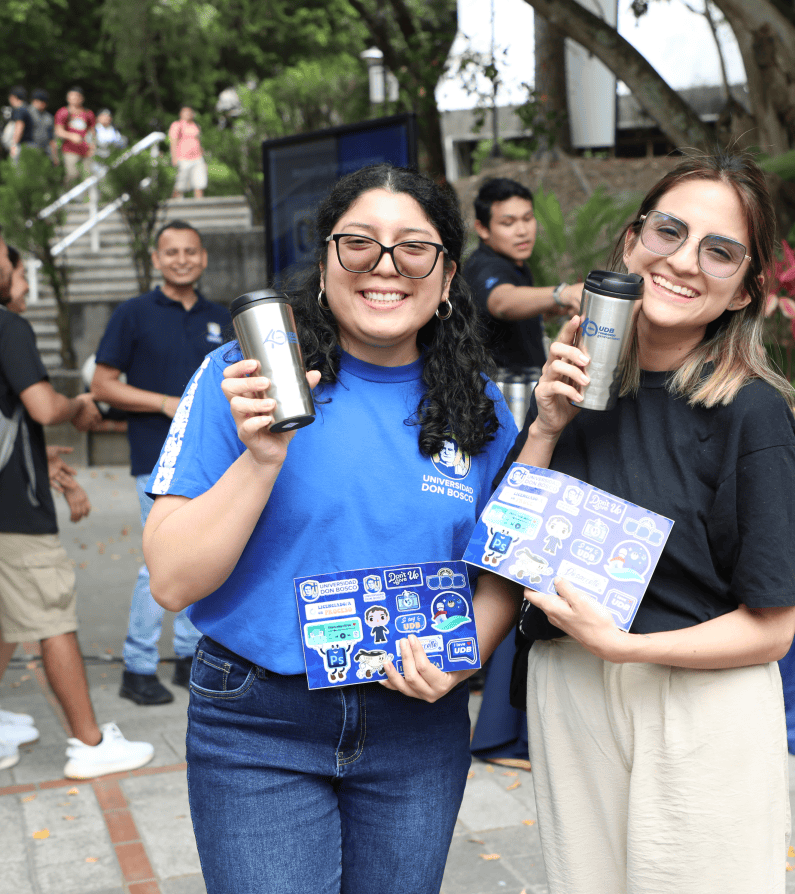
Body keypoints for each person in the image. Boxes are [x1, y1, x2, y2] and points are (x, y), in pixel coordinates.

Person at [141, 164, 521, 894]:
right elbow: (171, 580)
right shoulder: (242, 378)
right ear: (324, 265)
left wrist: (467, 652)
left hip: (418, 724)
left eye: (414, 248)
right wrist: (262, 457)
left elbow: (502, 562)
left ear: (446, 279)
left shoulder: (478, 409)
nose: (385, 267)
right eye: (359, 244)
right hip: (260, 722)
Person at [510, 150, 795, 894]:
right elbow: (507, 554)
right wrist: (544, 426)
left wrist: (626, 647)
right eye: (669, 231)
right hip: (569, 692)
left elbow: (773, 628)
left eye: (720, 250)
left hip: (696, 702)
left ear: (745, 290)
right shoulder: (575, 385)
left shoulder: (751, 414)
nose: (683, 261)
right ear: (632, 240)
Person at [0, 224, 155, 778]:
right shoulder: (8, 327)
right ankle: (89, 745)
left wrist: (44, 463)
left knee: (6, 620)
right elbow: (42, 407)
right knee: (53, 618)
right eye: (13, 264)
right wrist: (80, 404)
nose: (19, 275)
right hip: (14, 514)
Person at [91, 221, 231, 706]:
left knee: (207, 558)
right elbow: (102, 385)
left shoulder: (223, 317)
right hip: (156, 459)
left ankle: (191, 658)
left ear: (203, 257)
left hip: (217, 462)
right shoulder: (132, 314)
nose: (181, 259)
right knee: (158, 565)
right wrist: (163, 403)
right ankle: (138, 666)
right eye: (171, 252)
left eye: (190, 251)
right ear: (156, 259)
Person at [464, 178, 582, 373]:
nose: (522, 231)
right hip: (502, 393)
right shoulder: (483, 266)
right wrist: (562, 293)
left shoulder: (516, 264)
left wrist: (553, 307)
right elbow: (502, 302)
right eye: (508, 223)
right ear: (483, 229)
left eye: (527, 219)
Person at [53, 86, 95, 185]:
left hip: (86, 150)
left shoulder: (88, 113)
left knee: (88, 176)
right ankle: (68, 197)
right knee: (72, 175)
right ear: (68, 98)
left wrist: (92, 145)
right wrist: (71, 136)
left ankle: (86, 199)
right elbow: (58, 131)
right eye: (72, 96)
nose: (75, 98)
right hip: (70, 149)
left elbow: (92, 131)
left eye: (77, 96)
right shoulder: (63, 112)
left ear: (82, 98)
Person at [168, 106, 207, 198]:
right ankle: (174, 206)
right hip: (183, 158)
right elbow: (173, 142)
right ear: (181, 114)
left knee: (200, 184)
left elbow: (198, 142)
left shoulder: (195, 125)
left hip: (197, 158)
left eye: (190, 112)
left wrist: (203, 158)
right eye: (186, 112)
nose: (188, 114)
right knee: (180, 186)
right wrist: (174, 158)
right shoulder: (177, 125)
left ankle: (199, 208)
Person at [27, 89, 57, 163]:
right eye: (39, 101)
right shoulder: (26, 113)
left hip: (45, 151)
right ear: (33, 101)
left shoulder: (48, 117)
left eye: (44, 102)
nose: (42, 104)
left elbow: (51, 138)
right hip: (28, 149)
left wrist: (55, 156)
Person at [4, 86, 33, 161]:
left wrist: (14, 145)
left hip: (20, 146)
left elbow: (19, 127)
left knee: (18, 170)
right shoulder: (25, 109)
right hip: (25, 145)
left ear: (14, 97)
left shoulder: (19, 110)